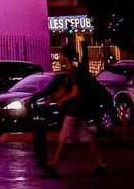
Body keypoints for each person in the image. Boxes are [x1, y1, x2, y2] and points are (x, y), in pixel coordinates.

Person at [42, 47, 107, 178]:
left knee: (63, 137)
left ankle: (54, 165)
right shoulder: (70, 73)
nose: (58, 58)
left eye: (60, 55)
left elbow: (74, 92)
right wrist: (53, 98)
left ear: (65, 56)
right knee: (87, 139)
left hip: (74, 110)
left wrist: (62, 100)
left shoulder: (73, 73)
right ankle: (101, 165)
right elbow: (65, 90)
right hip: (78, 110)